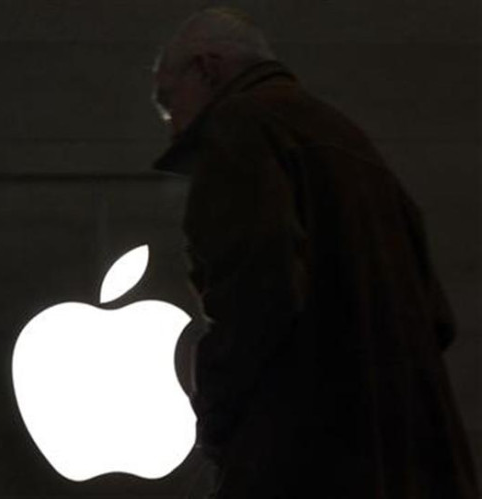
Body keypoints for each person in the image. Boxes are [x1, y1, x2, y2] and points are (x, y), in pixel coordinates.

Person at [151, 6, 479, 498]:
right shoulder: (350, 140)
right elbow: (437, 317)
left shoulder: (241, 127)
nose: (172, 126)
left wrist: (214, 414)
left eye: (167, 100)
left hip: (305, 457)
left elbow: (255, 294)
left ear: (206, 67)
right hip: (410, 460)